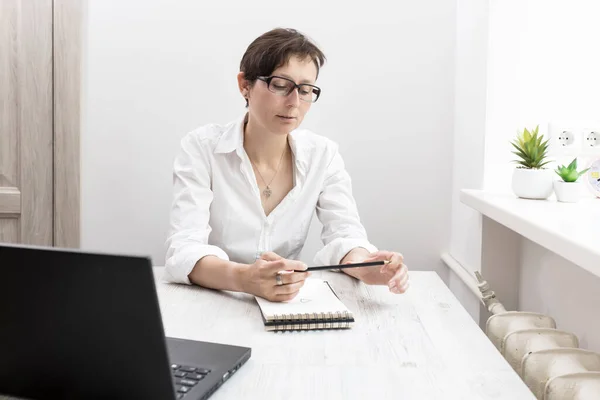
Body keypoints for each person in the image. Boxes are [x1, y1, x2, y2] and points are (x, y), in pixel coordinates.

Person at [164, 28, 409, 302]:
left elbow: (345, 233)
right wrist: (245, 279)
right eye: (281, 85)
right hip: (214, 301)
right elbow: (183, 249)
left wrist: (367, 267)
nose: (294, 102)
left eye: (305, 90)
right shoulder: (202, 148)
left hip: (287, 305)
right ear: (245, 85)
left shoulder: (323, 155)